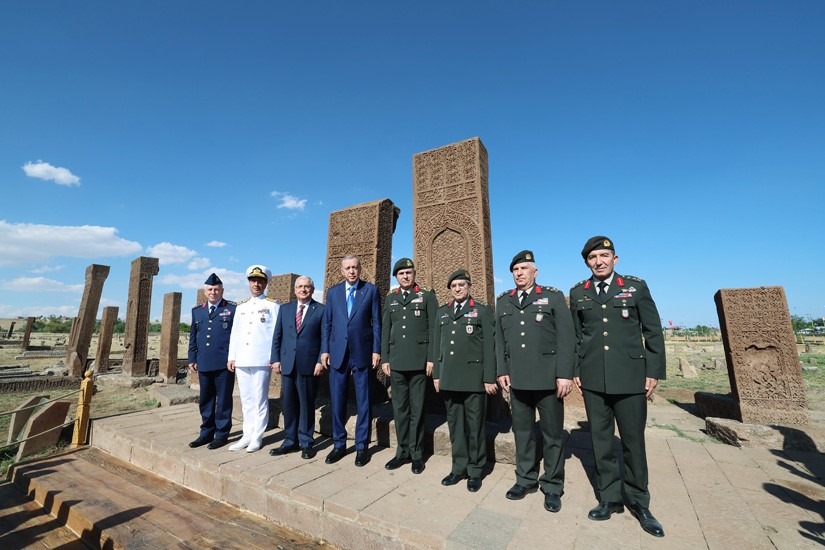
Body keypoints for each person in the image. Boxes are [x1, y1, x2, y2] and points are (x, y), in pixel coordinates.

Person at [570, 236, 666, 538]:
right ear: (586, 262)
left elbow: (653, 331)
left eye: (604, 255)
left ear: (615, 258)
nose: (598, 261)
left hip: (630, 377)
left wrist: (653, 371)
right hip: (594, 378)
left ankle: (640, 502)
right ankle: (609, 498)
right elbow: (577, 337)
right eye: (592, 257)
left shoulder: (635, 287)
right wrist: (575, 371)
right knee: (601, 442)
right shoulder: (579, 292)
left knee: (633, 442)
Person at [495, 250, 575, 512]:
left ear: (535, 272)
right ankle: (526, 479)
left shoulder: (551, 297)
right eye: (515, 270)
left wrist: (564, 373)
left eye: (524, 268)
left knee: (552, 435)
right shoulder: (504, 302)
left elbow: (566, 338)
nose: (519, 273)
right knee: (523, 433)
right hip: (517, 380)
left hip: (548, 380)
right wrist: (501, 370)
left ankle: (552, 485)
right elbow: (500, 341)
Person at [432, 269, 497, 493]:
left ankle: (476, 470)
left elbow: (490, 347)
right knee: (455, 427)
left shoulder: (480, 311)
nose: (458, 289)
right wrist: (437, 375)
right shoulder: (443, 312)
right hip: (449, 379)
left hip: (473, 379)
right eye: (454, 286)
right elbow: (437, 347)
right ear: (450, 289)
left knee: (475, 427)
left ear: (469, 286)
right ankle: (458, 467)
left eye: (461, 285)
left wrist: (489, 377)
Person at [320, 255, 381, 467]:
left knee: (364, 400)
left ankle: (362, 446)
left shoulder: (371, 290)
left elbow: (377, 323)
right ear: (342, 270)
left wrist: (376, 350)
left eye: (355, 267)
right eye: (348, 268)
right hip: (337, 352)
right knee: (337, 400)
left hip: (362, 351)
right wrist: (325, 350)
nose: (352, 271)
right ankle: (339, 444)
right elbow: (327, 324)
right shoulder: (333, 292)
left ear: (360, 269)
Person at [380, 258, 438, 474]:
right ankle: (401, 451)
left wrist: (431, 358)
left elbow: (434, 330)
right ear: (396, 276)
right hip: (396, 362)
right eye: (401, 273)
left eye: (408, 272)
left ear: (414, 274)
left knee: (417, 409)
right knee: (400, 409)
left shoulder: (427, 296)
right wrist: (385, 358)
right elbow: (387, 329)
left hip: (419, 362)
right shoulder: (391, 299)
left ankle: (416, 454)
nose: (405, 276)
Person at [269, 276, 325, 459]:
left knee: (306, 405)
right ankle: (289, 440)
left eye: (307, 287)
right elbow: (277, 335)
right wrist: (275, 359)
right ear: (295, 289)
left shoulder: (321, 310)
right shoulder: (285, 309)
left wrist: (319, 361)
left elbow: (325, 338)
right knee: (289, 404)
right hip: (287, 364)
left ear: (312, 289)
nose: (303, 290)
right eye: (300, 287)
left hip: (309, 365)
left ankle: (306, 442)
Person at [227, 265, 279, 453]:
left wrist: (274, 358)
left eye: (260, 281)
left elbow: (276, 335)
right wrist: (232, 356)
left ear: (266, 283)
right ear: (248, 282)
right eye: (253, 280)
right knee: (246, 399)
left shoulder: (273, 305)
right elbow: (235, 333)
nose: (256, 284)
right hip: (242, 359)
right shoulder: (241, 307)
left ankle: (257, 436)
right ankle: (247, 434)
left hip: (261, 359)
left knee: (259, 399)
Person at [188, 273, 236, 450]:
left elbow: (235, 337)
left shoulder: (232, 309)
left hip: (225, 364)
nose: (213, 292)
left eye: (216, 289)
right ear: (204, 291)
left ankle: (222, 434)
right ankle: (206, 433)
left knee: (223, 400)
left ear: (222, 291)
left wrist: (233, 358)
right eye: (210, 289)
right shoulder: (197, 311)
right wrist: (192, 357)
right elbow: (193, 336)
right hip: (204, 362)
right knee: (205, 399)